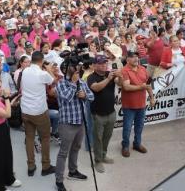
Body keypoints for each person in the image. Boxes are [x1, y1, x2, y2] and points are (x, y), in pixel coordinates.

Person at [54, 60, 94, 191]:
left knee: (76, 147)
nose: (78, 71)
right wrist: (73, 83)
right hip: (67, 123)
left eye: (78, 69)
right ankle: (59, 180)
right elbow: (67, 97)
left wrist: (84, 95)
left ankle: (73, 171)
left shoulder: (81, 82)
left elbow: (91, 96)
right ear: (67, 70)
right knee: (63, 152)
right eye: (75, 69)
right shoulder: (60, 84)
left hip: (80, 121)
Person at [19, 51, 56, 177]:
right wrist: (49, 68)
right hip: (39, 110)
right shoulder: (43, 73)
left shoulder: (25, 71)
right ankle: (45, 166)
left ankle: (31, 166)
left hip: (25, 110)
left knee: (29, 138)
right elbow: (53, 80)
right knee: (45, 138)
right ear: (41, 60)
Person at [119, 51, 155, 158]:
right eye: (132, 57)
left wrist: (152, 98)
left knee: (139, 126)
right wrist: (141, 87)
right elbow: (126, 87)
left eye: (136, 57)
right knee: (127, 127)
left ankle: (137, 144)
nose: (135, 59)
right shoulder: (124, 70)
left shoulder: (142, 69)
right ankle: (125, 146)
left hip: (141, 104)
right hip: (129, 105)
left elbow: (148, 85)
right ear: (127, 59)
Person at [86, 55, 118, 173]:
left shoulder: (110, 74)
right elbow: (96, 88)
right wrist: (109, 78)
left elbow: (120, 82)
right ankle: (98, 160)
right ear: (94, 65)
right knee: (97, 139)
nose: (104, 65)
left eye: (105, 63)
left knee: (107, 137)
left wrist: (120, 76)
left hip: (111, 112)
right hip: (98, 115)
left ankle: (103, 155)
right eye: (100, 63)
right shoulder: (91, 77)